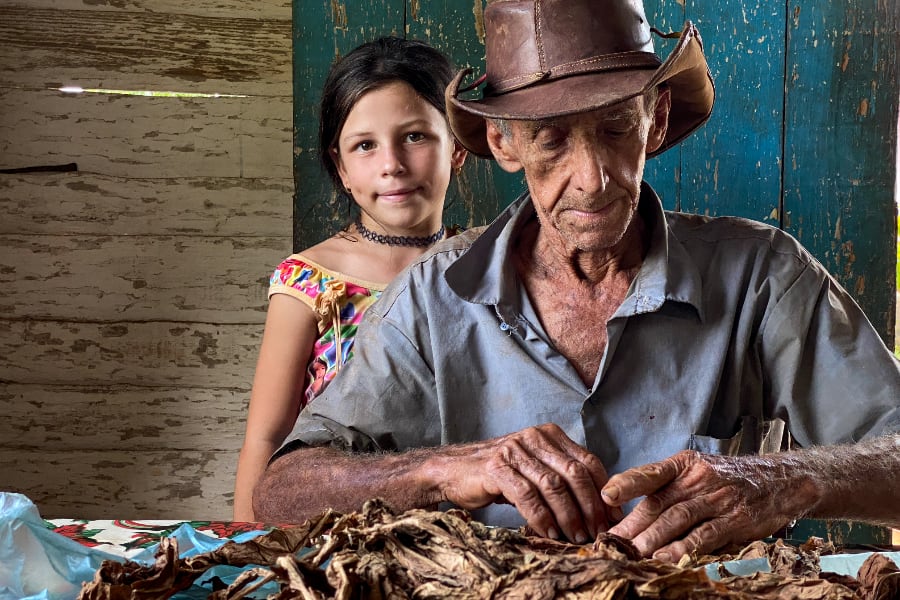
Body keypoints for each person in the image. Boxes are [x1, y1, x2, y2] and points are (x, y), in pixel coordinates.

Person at [252, 0, 900, 561]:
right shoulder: (431, 297)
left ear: (659, 119)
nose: (592, 179)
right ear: (504, 144)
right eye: (553, 140)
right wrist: (450, 468)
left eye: (617, 128)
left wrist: (779, 480)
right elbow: (284, 491)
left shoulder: (763, 276)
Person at [232, 37, 467, 521]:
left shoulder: (485, 265)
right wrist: (247, 545)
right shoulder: (311, 282)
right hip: (334, 530)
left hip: (462, 526)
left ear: (458, 148)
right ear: (340, 167)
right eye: (365, 146)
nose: (392, 165)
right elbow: (267, 436)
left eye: (416, 136)